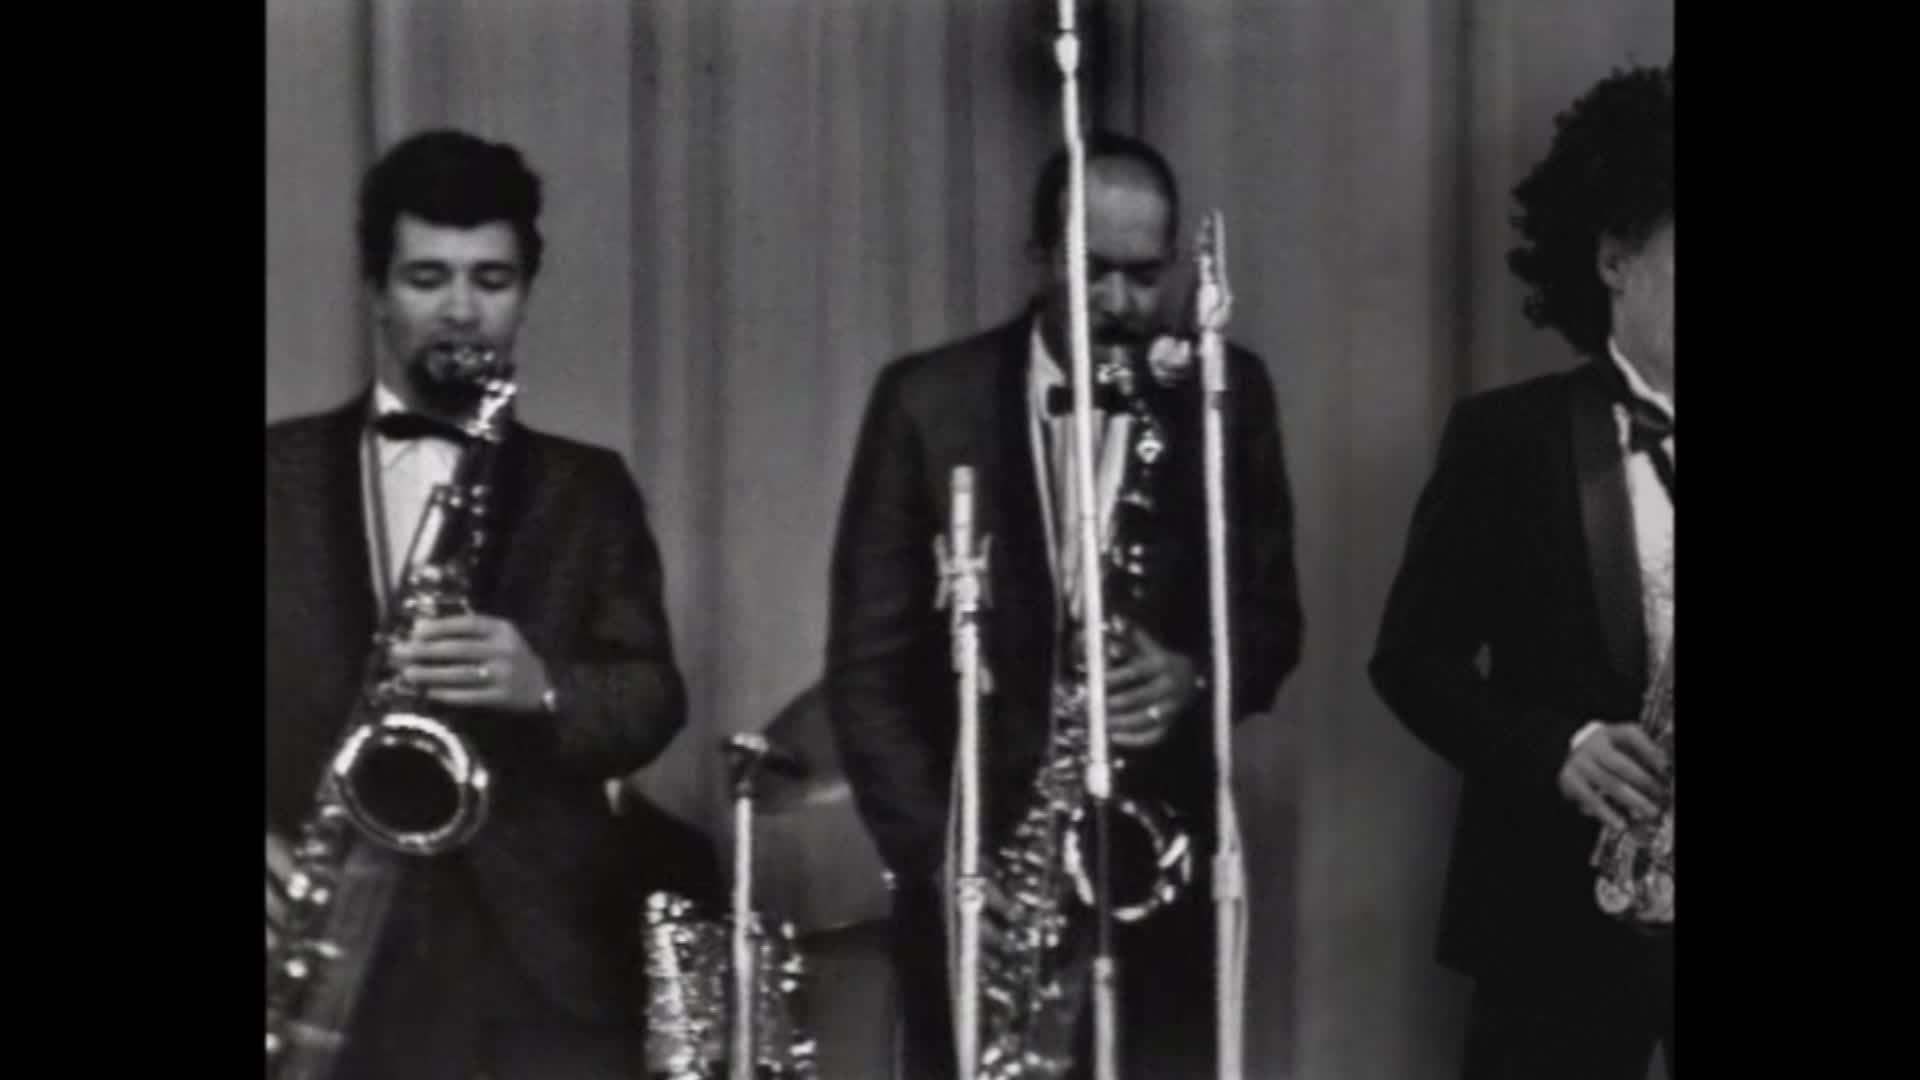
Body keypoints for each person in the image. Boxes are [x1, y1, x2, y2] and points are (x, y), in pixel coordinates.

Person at [825, 131, 1304, 1080]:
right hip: (987, 884)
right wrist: (946, 864)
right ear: (1039, 257)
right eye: (1093, 272)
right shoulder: (928, 401)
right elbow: (866, 672)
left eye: (1146, 275)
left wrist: (1196, 674)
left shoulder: (1225, 390)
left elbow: (1273, 621)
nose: (1120, 303)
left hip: (1158, 882)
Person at [265, 129, 689, 1079]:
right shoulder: (274, 477)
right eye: (428, 278)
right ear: (376, 291)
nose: (461, 309)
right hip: (325, 945)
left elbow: (653, 695)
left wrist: (546, 687)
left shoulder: (588, 488)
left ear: (525, 292)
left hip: (534, 961)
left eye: (491, 280)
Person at [1369, 61, 1674, 1080]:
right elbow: (1412, 660)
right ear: (1615, 257)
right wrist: (1558, 748)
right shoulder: (1509, 438)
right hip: (1556, 933)